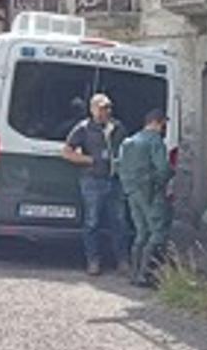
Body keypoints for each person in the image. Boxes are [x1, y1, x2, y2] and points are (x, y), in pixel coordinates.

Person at [63, 93, 127, 276]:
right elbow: (67, 152)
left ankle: (122, 261)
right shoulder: (83, 128)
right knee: (92, 222)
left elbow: (126, 148)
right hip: (92, 180)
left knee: (119, 222)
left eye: (108, 107)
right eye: (101, 108)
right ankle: (93, 261)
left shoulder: (118, 127)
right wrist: (88, 159)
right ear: (92, 109)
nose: (105, 111)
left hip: (114, 180)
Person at [118, 109, 174, 287]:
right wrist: (162, 181)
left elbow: (119, 166)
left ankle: (134, 274)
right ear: (157, 123)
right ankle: (146, 274)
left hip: (131, 191)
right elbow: (163, 168)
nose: (164, 128)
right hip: (151, 191)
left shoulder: (128, 142)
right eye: (163, 124)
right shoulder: (155, 141)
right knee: (158, 231)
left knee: (141, 231)